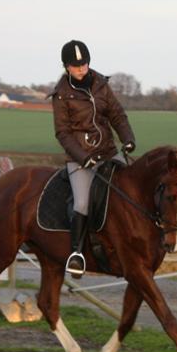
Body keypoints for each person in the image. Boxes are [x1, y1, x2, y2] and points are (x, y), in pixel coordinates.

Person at [50, 39, 136, 277]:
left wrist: (127, 138)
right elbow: (63, 133)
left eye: (84, 63)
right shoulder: (61, 95)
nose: (81, 68)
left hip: (108, 151)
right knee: (82, 204)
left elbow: (117, 114)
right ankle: (76, 254)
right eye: (76, 65)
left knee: (130, 189)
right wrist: (82, 157)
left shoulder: (101, 84)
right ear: (67, 67)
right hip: (80, 159)